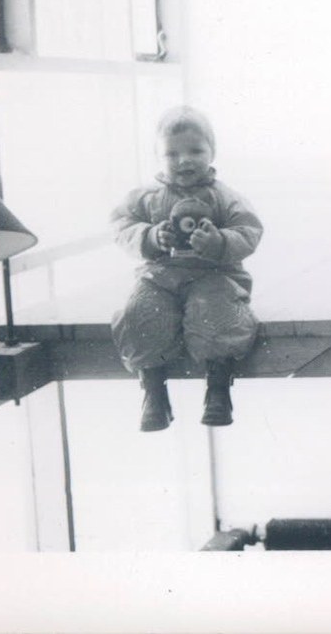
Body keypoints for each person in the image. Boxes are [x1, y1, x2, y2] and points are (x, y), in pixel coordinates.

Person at [111, 106, 262, 431]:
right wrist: (151, 236)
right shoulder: (146, 197)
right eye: (172, 154)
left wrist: (219, 241)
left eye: (195, 151)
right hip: (160, 276)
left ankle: (218, 387)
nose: (184, 161)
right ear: (157, 156)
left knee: (218, 313)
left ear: (212, 152)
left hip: (214, 275)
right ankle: (153, 391)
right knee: (138, 313)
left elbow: (249, 230)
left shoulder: (225, 197)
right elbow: (121, 225)